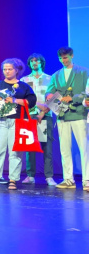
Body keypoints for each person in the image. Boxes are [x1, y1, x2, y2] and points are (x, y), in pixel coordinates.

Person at [0, 59, 37, 191]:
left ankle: (13, 179)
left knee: (15, 152)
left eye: (10, 69)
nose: (7, 71)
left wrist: (15, 100)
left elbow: (31, 101)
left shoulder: (23, 86)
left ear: (16, 70)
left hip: (17, 121)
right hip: (0, 120)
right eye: (5, 69)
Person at [45, 47, 89, 191]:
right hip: (62, 115)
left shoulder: (83, 72)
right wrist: (49, 96)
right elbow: (49, 91)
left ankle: (87, 180)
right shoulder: (56, 75)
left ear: (72, 56)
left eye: (65, 57)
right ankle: (68, 179)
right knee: (64, 148)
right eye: (60, 58)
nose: (63, 60)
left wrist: (73, 98)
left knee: (84, 148)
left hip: (79, 114)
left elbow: (87, 92)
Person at [20, 53, 57, 186]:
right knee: (30, 147)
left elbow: (54, 99)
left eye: (37, 61)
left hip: (45, 115)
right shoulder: (24, 80)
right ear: (29, 64)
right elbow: (23, 98)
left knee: (47, 147)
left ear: (41, 63)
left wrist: (43, 112)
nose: (34, 63)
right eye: (32, 61)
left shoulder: (50, 78)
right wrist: (36, 105)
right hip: (29, 115)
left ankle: (49, 176)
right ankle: (30, 175)